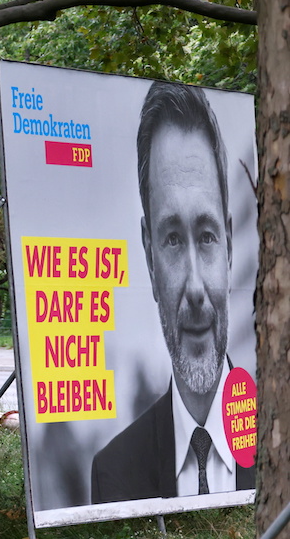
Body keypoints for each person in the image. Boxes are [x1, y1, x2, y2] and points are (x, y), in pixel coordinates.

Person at [90, 81, 255, 503]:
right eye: (173, 240)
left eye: (206, 236)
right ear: (149, 256)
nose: (195, 287)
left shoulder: (281, 440)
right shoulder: (113, 474)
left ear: (229, 245)